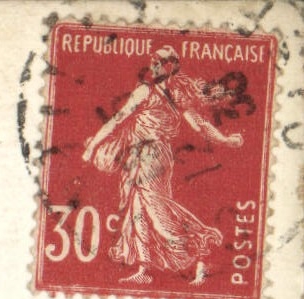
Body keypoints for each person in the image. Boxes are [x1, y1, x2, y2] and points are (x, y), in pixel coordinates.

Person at [82, 47, 243, 286]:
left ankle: (202, 250)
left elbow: (199, 124)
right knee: (138, 209)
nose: (153, 66)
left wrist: (225, 140)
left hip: (153, 156)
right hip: (139, 156)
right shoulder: (146, 91)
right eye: (153, 61)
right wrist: (93, 146)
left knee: (157, 210)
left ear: (170, 66)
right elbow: (118, 120)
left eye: (158, 62)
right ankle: (143, 268)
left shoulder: (171, 95)